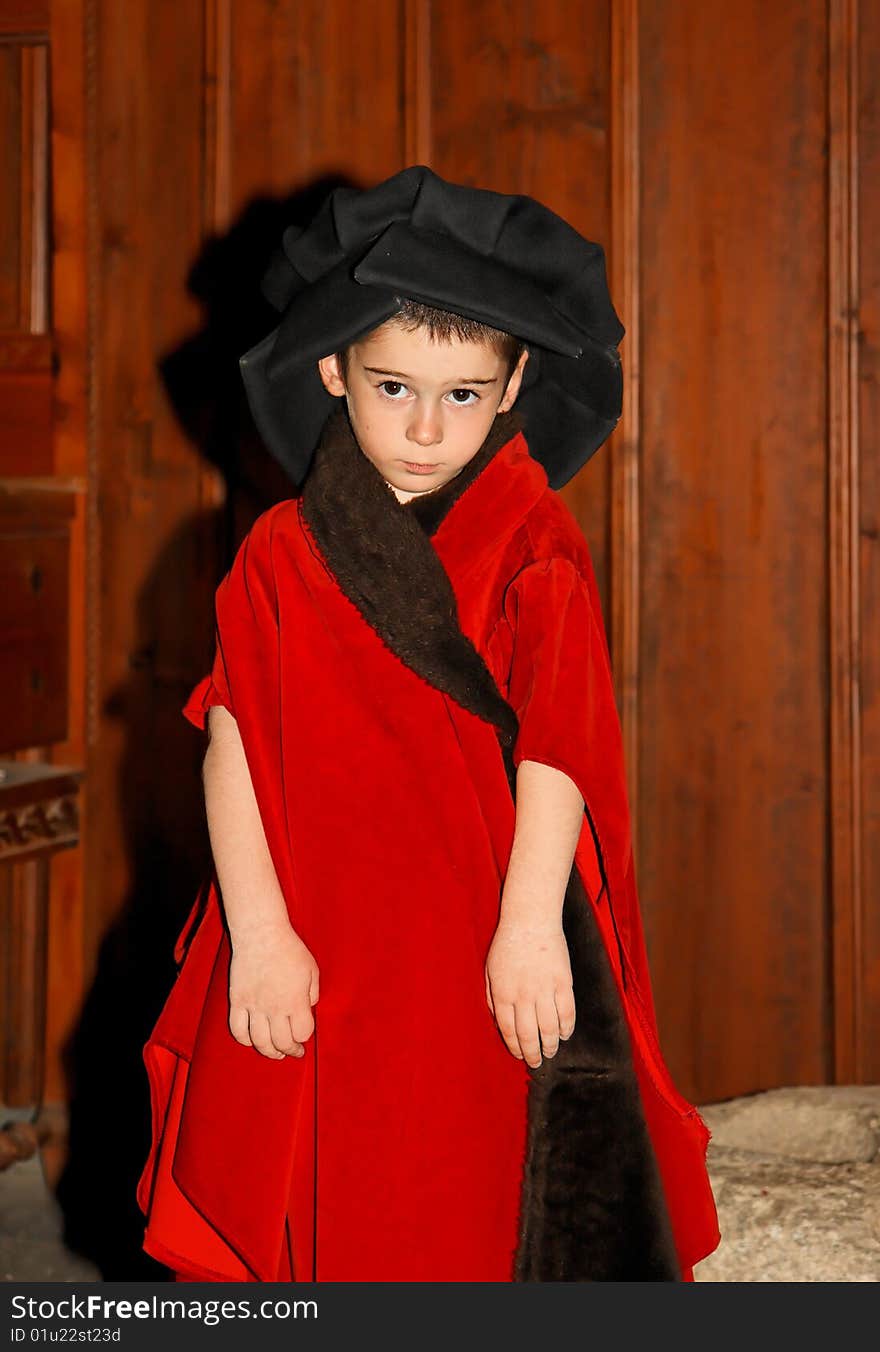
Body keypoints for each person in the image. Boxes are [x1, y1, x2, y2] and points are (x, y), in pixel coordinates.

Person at [136, 166, 720, 1283]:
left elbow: (560, 748)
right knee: (313, 1176)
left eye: (461, 395)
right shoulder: (280, 549)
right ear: (332, 371)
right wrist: (258, 934)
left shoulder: (532, 537)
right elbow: (235, 740)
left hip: (475, 920)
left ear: (512, 390)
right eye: (392, 385)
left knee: (463, 1182)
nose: (421, 426)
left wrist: (530, 926)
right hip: (318, 918)